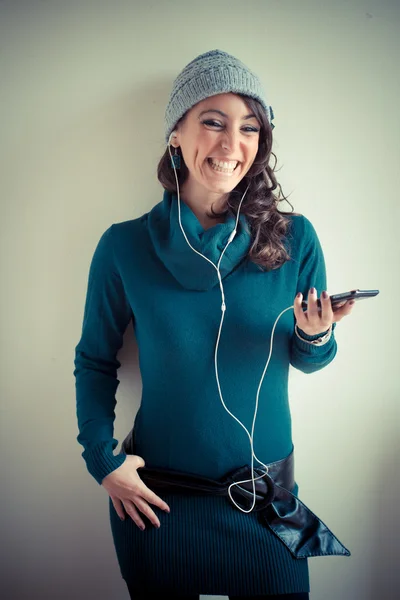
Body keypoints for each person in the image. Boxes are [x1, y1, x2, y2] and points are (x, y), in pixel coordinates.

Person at [73, 49, 355, 599]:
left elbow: (309, 358)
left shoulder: (296, 239)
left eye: (250, 127)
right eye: (212, 122)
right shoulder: (124, 246)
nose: (232, 146)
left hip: (265, 505)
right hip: (156, 507)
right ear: (175, 133)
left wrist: (317, 334)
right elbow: (94, 360)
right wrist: (102, 460)